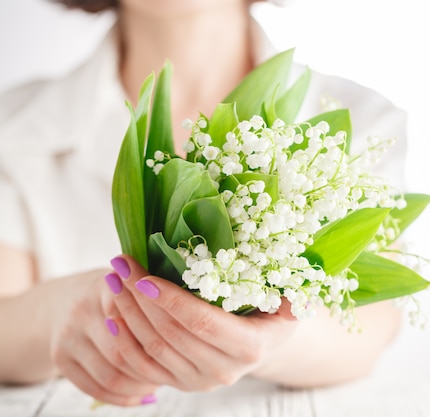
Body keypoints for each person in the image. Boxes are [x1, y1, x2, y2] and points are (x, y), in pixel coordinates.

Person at [0, 0, 408, 407]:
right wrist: (58, 316)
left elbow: (374, 321)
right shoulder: (15, 129)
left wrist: (268, 341)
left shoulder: (356, 124)